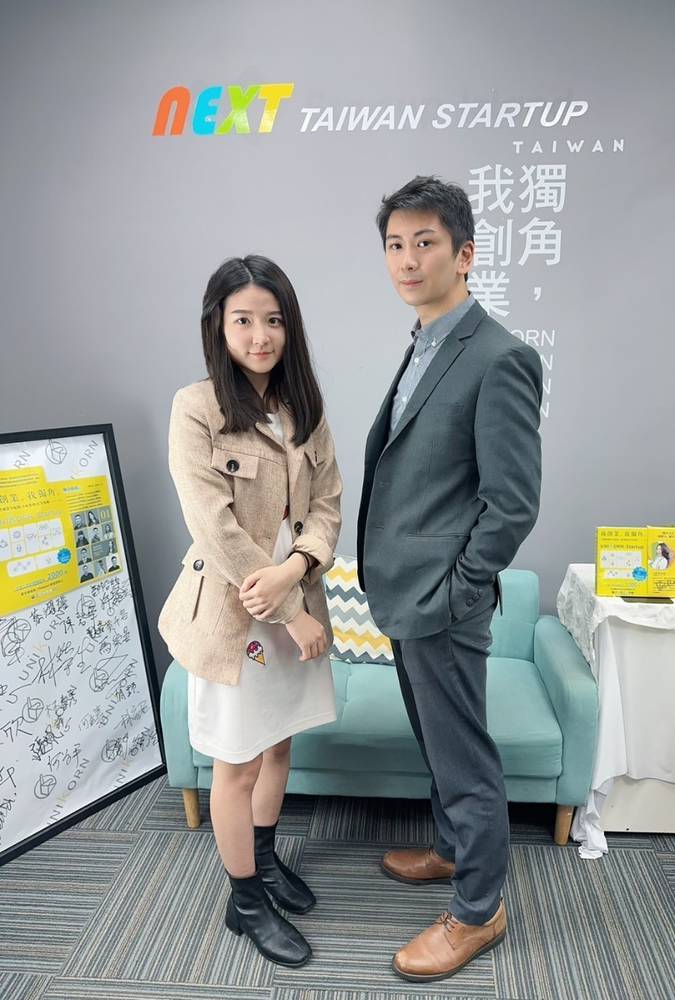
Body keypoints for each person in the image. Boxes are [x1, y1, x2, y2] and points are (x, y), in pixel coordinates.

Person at [357, 176, 543, 982]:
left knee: (465, 759)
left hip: (442, 601)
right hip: (405, 594)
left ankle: (478, 910)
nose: (407, 259)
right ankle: (451, 851)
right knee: (439, 745)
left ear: (464, 254)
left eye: (425, 243)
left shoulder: (500, 356)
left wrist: (457, 592)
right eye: (395, 245)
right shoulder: (426, 340)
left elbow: (513, 503)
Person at [158, 255, 342, 969]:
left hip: (291, 599)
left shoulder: (305, 409)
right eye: (244, 320)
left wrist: (296, 571)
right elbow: (213, 525)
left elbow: (326, 507)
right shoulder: (196, 407)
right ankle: (244, 900)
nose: (260, 335)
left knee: (278, 746)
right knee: (234, 765)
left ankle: (263, 862)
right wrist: (288, 607)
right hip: (236, 617)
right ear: (219, 326)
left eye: (273, 320)